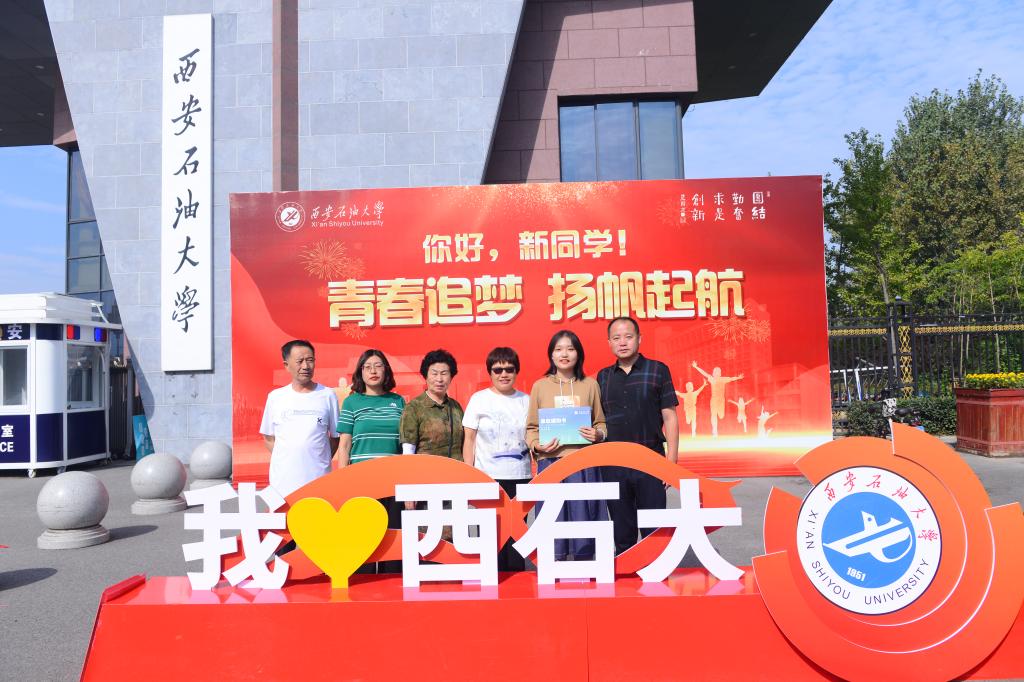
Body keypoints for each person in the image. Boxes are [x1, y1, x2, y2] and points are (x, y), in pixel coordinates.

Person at [597, 317, 680, 556]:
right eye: (616, 338)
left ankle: (655, 572)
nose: (622, 342)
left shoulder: (658, 370)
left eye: (628, 337)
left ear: (639, 339)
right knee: (622, 529)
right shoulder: (603, 377)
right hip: (613, 463)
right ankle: (626, 573)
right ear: (609, 343)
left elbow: (670, 417)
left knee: (654, 528)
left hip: (651, 461)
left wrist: (671, 462)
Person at [525, 330, 607, 561]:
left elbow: (601, 422)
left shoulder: (590, 385)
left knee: (585, 519)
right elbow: (531, 428)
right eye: (559, 349)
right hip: (550, 463)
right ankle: (555, 567)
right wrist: (538, 446)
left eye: (570, 349)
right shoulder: (540, 386)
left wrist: (598, 434)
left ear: (578, 354)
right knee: (553, 520)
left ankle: (586, 567)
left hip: (583, 464)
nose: (564, 354)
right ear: (551, 355)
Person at [462, 347, 531, 572]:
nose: (504, 374)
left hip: (520, 476)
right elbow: (469, 440)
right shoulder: (479, 399)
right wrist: (469, 474)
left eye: (509, 369)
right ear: (490, 372)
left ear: (517, 371)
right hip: (488, 477)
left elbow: (533, 438)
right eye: (498, 370)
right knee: (490, 537)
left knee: (517, 539)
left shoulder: (527, 401)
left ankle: (517, 585)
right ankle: (493, 585)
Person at [337, 349, 405, 573]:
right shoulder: (352, 402)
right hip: (361, 481)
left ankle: (393, 585)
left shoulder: (398, 401)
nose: (373, 371)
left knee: (393, 538)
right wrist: (341, 482)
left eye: (378, 366)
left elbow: (406, 444)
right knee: (362, 540)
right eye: (367, 367)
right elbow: (344, 445)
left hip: (393, 481)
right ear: (360, 372)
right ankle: (362, 586)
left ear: (386, 370)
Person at [259, 340, 340, 497]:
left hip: (318, 480)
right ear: (286, 365)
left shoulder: (328, 395)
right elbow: (268, 438)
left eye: (310, 360)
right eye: (300, 361)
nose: (306, 366)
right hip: (283, 483)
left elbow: (335, 438)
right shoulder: (276, 397)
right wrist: (289, 459)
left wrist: (318, 459)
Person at [400, 348, 465, 459]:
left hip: (456, 468)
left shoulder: (456, 407)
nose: (439, 379)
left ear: (451, 377)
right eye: (434, 374)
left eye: (444, 373)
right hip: (426, 468)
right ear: (425, 376)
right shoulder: (413, 407)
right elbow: (408, 451)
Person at [691, 361, 743, 438]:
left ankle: (716, 426)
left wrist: (738, 377)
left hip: (721, 401)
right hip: (714, 400)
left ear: (720, 373)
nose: (716, 372)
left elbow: (731, 378)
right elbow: (704, 373)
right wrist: (696, 367)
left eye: (718, 371)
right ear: (713, 373)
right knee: (713, 414)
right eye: (715, 371)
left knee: (721, 416)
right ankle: (715, 431)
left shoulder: (723, 379)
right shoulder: (712, 379)